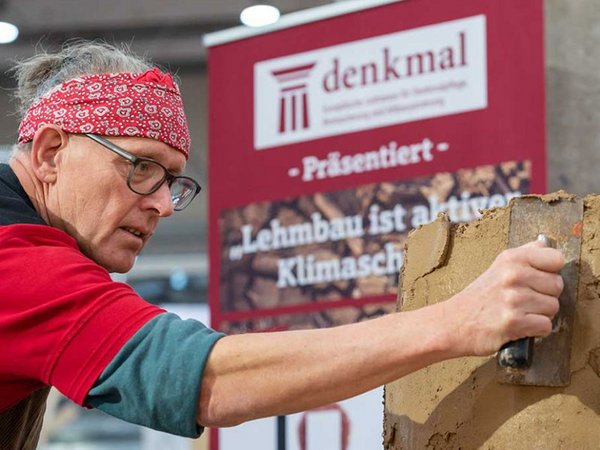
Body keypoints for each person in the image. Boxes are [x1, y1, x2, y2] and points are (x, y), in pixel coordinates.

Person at [0, 41, 564, 449]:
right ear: (50, 152)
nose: (163, 204)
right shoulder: (18, 262)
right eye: (141, 167)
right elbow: (206, 380)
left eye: (172, 180)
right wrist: (460, 321)